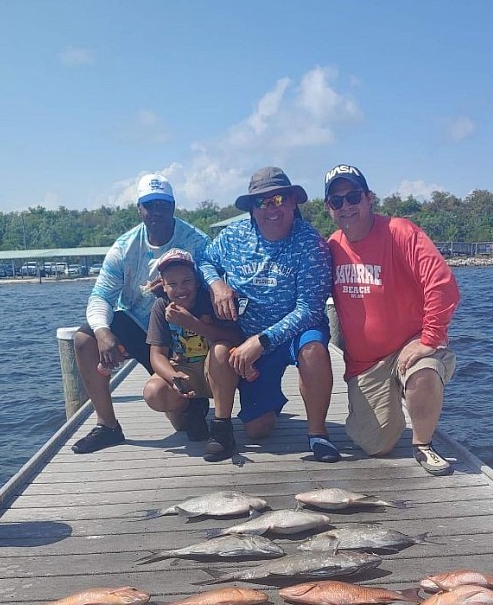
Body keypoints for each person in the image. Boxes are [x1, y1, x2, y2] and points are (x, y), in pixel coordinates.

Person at [324, 164, 460, 475]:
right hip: (364, 364)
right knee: (376, 445)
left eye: (353, 197)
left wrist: (429, 339)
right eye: (337, 200)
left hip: (409, 345)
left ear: (369, 198)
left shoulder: (401, 231)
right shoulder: (331, 246)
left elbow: (441, 284)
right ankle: (381, 406)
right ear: (329, 207)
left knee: (423, 370)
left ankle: (422, 444)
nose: (346, 206)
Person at [198, 166, 340, 464]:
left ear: (292, 203)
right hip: (247, 335)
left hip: (294, 334)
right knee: (257, 430)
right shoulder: (232, 236)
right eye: (261, 202)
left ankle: (318, 434)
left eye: (278, 200)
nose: (270, 208)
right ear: (251, 208)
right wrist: (217, 283)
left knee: (314, 349)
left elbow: (310, 309)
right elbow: (204, 260)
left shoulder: (310, 243)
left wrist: (261, 341)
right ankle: (230, 425)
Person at [71, 173, 209, 454]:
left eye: (162, 204)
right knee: (83, 339)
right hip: (138, 328)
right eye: (149, 205)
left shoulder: (198, 242)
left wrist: (176, 294)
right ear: (139, 209)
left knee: (183, 424)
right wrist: (102, 331)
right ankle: (107, 426)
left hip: (184, 333)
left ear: (173, 206)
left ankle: (193, 406)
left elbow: (212, 287)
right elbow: (100, 296)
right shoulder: (124, 248)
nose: (156, 211)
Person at [143, 249, 241, 442]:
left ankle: (222, 427)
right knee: (154, 393)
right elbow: (157, 355)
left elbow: (236, 337)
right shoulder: (161, 306)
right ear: (163, 285)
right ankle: (191, 408)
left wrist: (192, 324)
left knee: (221, 350)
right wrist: (173, 377)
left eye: (186, 281)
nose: (180, 289)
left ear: (196, 280)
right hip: (185, 369)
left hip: (216, 370)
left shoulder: (211, 300)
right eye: (172, 284)